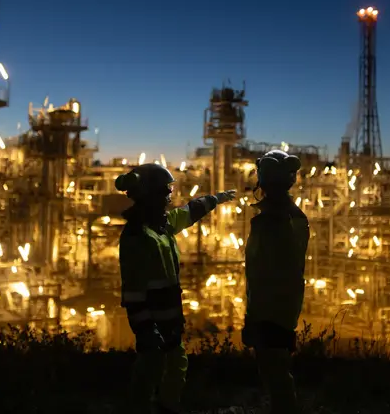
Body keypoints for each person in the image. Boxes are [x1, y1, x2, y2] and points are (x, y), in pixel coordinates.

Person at [115, 163, 236, 414]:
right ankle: (140, 407)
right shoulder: (137, 236)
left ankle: (167, 406)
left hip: (169, 314)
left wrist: (215, 199)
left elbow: (189, 212)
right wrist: (145, 327)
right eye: (165, 191)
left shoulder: (163, 225)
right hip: (152, 318)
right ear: (149, 194)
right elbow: (133, 289)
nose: (169, 196)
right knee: (150, 365)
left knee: (176, 362)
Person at [243, 150, 309, 414]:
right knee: (278, 368)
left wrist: (252, 315)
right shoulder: (296, 216)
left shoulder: (270, 221)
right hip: (287, 304)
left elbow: (261, 271)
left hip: (268, 307)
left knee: (273, 370)